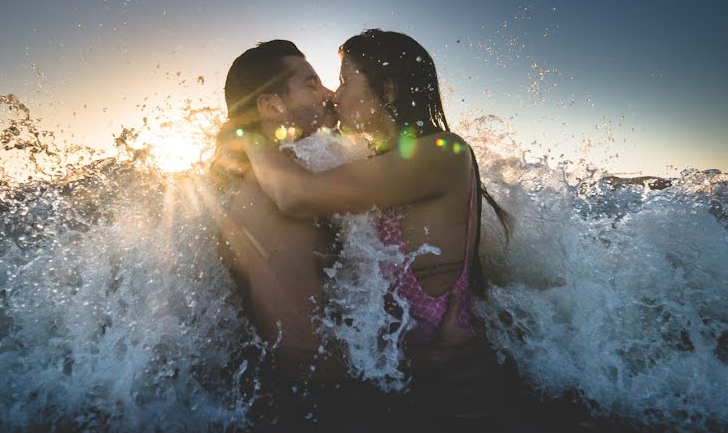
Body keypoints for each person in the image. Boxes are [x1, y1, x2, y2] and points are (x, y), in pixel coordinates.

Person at [238, 29, 513, 348]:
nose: (334, 96)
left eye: (344, 82)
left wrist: (248, 134)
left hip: (455, 382)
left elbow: (296, 196)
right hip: (409, 371)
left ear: (389, 90)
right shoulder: (376, 160)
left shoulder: (443, 152)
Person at [211, 39, 340, 376]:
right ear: (271, 106)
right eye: (311, 83)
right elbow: (302, 350)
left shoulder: (293, 176)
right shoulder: (270, 201)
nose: (329, 94)